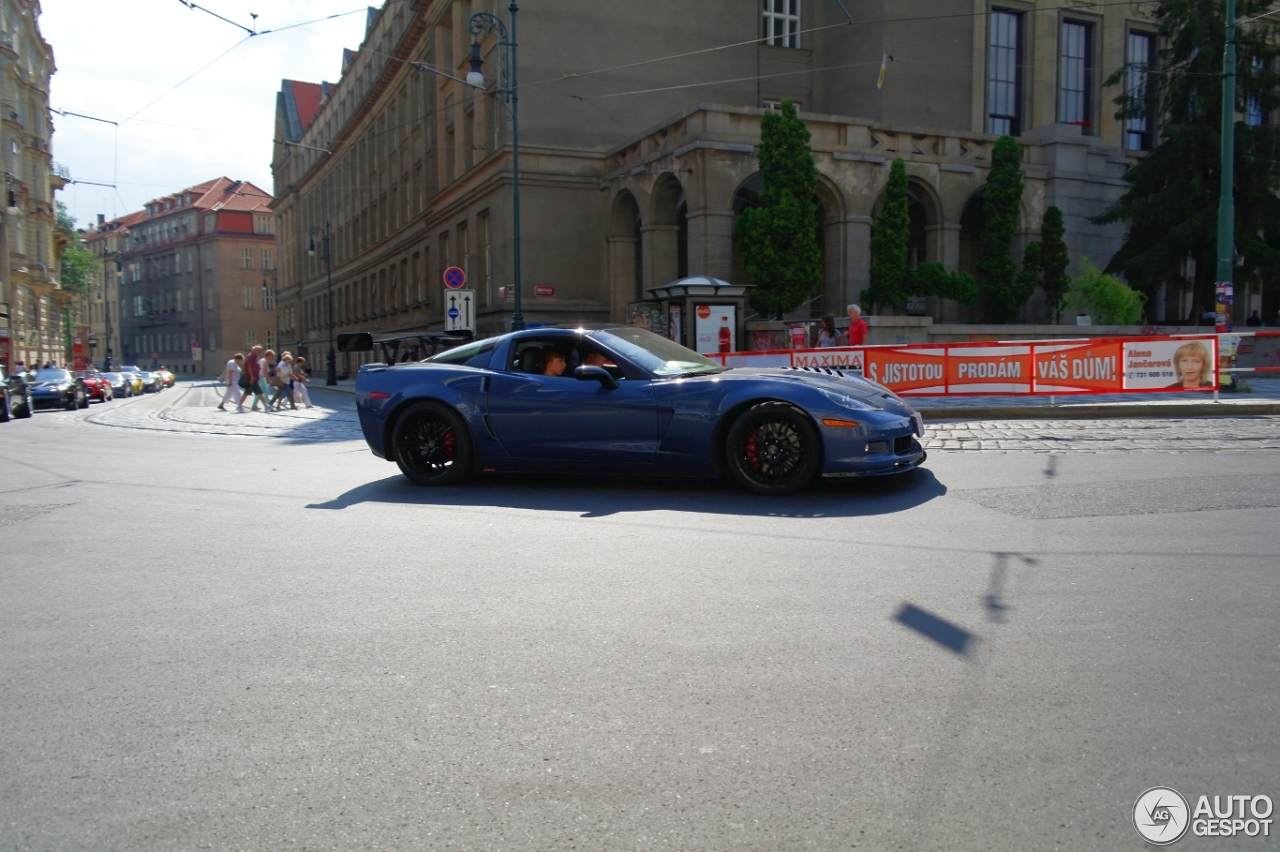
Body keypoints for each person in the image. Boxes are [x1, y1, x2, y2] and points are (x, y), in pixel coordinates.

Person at [239, 345, 269, 412]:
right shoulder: (250, 357)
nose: (260, 352)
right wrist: (252, 376)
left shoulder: (255, 357)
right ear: (254, 350)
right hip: (251, 378)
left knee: (259, 392)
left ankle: (266, 405)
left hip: (255, 378)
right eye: (259, 350)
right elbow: (249, 367)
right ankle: (239, 406)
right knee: (247, 392)